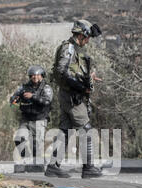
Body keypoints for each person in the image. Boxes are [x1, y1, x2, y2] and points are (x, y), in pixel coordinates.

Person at [45, 20, 103, 179]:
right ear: (81, 34)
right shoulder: (69, 48)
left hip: (70, 95)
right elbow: (62, 72)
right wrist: (80, 87)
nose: (88, 40)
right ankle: (88, 167)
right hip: (72, 97)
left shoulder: (74, 49)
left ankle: (53, 166)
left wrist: (88, 79)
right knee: (86, 130)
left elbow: (72, 71)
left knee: (65, 131)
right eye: (87, 36)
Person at [10, 65, 53, 164]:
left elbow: (47, 101)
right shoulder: (23, 87)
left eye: (37, 75)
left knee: (36, 145)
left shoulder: (46, 88)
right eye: (33, 75)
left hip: (39, 119)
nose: (35, 77)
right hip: (25, 119)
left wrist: (33, 96)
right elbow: (14, 96)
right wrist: (14, 99)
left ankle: (38, 164)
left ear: (42, 76)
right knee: (19, 138)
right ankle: (26, 158)